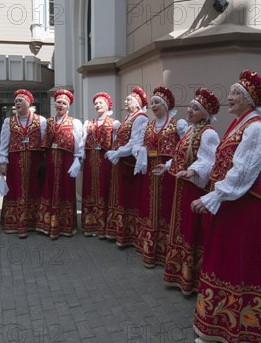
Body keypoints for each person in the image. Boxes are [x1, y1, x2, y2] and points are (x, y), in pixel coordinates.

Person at [191, 70, 261, 343]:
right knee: (222, 258)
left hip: (241, 208)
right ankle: (220, 323)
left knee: (232, 261)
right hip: (230, 205)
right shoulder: (239, 124)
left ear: (249, 99)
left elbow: (243, 171)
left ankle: (236, 328)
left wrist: (216, 195)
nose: (229, 97)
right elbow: (221, 164)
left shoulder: (256, 128)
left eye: (236, 93)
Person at [153, 88, 220, 291]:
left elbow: (209, 161)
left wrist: (191, 172)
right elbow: (181, 156)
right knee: (181, 227)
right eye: (190, 106)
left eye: (195, 108)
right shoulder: (191, 130)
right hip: (182, 186)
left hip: (194, 189)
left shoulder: (209, 133)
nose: (189, 110)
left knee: (192, 228)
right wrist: (166, 166)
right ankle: (179, 273)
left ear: (205, 114)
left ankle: (193, 278)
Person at [134, 86, 188, 267]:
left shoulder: (177, 124)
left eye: (157, 102)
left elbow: (185, 149)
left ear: (166, 105)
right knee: (150, 207)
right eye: (152, 103)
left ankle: (166, 253)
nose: (153, 105)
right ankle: (149, 250)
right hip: (150, 172)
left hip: (168, 173)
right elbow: (141, 145)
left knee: (166, 207)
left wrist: (170, 164)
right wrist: (141, 153)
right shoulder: (148, 125)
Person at [0, 89, 46, 238]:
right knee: (15, 189)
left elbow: (45, 141)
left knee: (35, 189)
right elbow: (4, 143)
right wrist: (2, 161)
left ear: (28, 103)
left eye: (20, 100)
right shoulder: (9, 121)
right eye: (16, 101)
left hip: (35, 163)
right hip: (15, 163)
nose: (17, 103)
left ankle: (35, 222)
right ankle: (16, 223)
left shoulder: (41, 120)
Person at [105, 86, 149, 247]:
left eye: (129, 99)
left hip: (129, 164)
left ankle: (129, 234)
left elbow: (135, 142)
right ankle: (118, 231)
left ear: (137, 104)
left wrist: (118, 153)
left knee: (128, 197)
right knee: (120, 195)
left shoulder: (141, 118)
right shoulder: (129, 117)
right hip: (122, 163)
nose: (125, 101)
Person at [37, 89, 83, 239]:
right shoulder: (48, 121)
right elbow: (44, 141)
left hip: (67, 160)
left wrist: (78, 159)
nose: (60, 105)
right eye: (58, 103)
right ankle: (48, 225)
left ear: (68, 106)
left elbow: (78, 143)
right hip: (51, 159)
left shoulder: (74, 122)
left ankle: (66, 226)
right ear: (54, 104)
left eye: (64, 103)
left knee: (66, 189)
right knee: (49, 188)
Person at [80, 92, 120, 237]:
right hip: (91, 159)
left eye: (100, 103)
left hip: (105, 160)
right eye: (96, 103)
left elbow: (116, 143)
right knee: (89, 189)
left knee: (104, 188)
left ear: (107, 105)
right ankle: (91, 225)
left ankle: (104, 226)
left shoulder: (114, 123)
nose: (97, 105)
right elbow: (83, 142)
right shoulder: (88, 123)